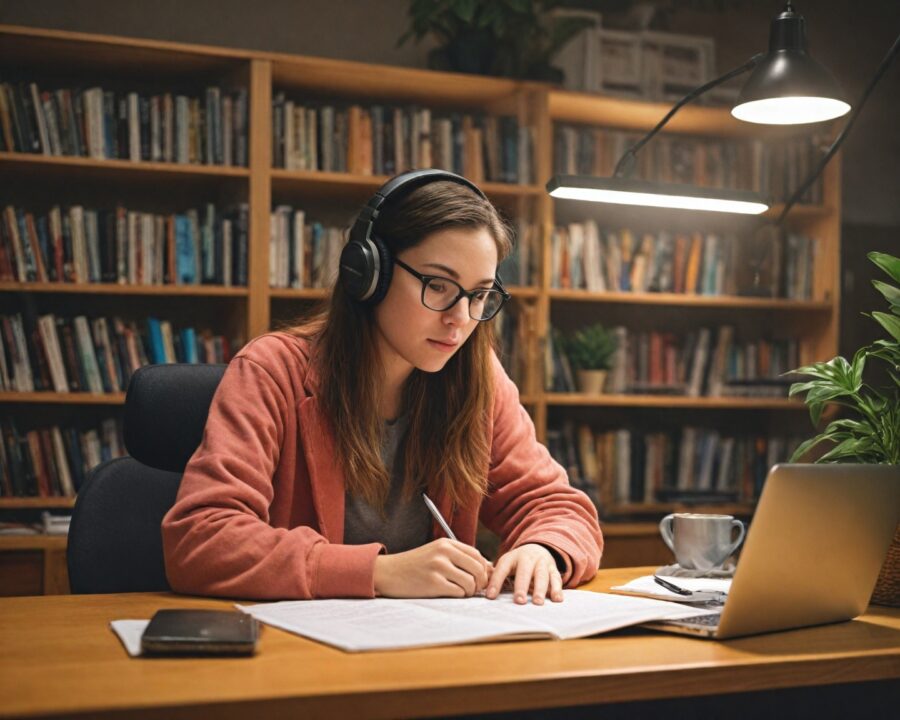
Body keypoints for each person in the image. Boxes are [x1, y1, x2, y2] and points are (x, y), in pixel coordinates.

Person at [162, 170, 603, 604]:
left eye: (479, 294)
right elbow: (201, 538)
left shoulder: (477, 377)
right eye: (438, 285)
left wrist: (542, 549)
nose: (460, 318)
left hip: (432, 639)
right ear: (369, 273)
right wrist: (378, 572)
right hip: (298, 644)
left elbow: (558, 507)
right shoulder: (273, 371)